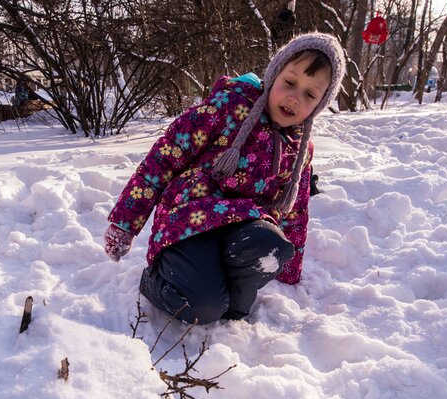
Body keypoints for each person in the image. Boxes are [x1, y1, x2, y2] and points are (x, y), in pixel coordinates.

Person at [103, 33, 346, 325]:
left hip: (243, 229)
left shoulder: (299, 149)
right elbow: (165, 156)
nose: (295, 98)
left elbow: (295, 209)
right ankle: (155, 281)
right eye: (290, 83)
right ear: (274, 74)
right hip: (189, 222)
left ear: (321, 104)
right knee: (202, 308)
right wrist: (125, 222)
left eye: (310, 94)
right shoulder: (229, 107)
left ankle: (222, 292)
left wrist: (289, 271)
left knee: (268, 258)